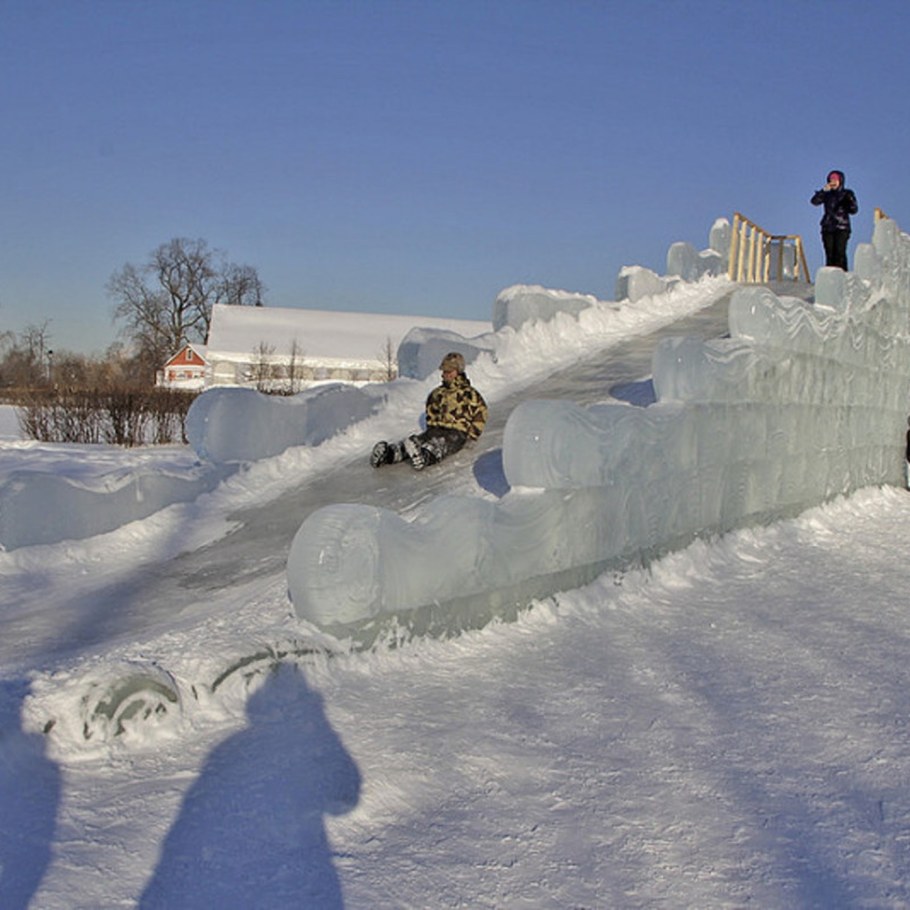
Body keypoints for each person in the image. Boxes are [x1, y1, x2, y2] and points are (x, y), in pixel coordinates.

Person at [370, 351, 488, 471]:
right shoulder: (437, 393)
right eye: (444, 371)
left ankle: (424, 457)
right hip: (436, 429)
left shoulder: (470, 394)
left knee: (441, 443)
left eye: (449, 371)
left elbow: (481, 413)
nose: (445, 374)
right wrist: (433, 426)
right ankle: (391, 454)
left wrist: (471, 436)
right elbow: (431, 412)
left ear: (458, 371)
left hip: (457, 433)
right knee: (420, 440)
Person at [811, 169, 858, 270]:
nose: (833, 182)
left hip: (842, 226)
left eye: (835, 180)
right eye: (831, 180)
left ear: (840, 181)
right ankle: (830, 275)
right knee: (829, 253)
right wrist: (823, 191)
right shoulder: (826, 194)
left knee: (840, 252)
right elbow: (814, 201)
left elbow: (853, 210)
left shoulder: (847, 193)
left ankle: (842, 274)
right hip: (828, 227)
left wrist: (850, 201)